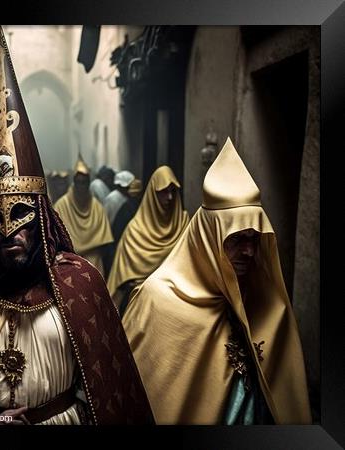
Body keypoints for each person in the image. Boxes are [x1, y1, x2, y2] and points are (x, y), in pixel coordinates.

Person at [0, 26, 153, 425]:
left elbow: (106, 397)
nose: (9, 232)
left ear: (41, 214)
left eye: (21, 215)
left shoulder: (81, 287)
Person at [123, 138, 311, 425]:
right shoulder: (156, 301)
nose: (249, 252)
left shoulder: (267, 301)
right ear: (208, 239)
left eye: (253, 239)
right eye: (235, 240)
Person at [106, 166, 188, 314]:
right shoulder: (135, 231)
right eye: (163, 192)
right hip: (140, 304)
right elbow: (120, 277)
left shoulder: (183, 224)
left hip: (174, 303)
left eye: (172, 191)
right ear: (152, 194)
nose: (169, 197)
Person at [54, 154, 114, 277]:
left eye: (85, 182)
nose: (82, 186)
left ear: (89, 183)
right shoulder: (61, 206)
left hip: (94, 264)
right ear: (74, 182)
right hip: (70, 264)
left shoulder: (97, 207)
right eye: (79, 182)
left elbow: (106, 246)